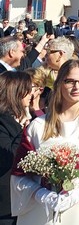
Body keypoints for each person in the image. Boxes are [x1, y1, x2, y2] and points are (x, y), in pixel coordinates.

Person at [11, 59, 79, 225]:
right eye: (70, 81)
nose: (77, 87)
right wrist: (40, 194)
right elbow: (19, 174)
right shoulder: (38, 125)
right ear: (60, 83)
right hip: (44, 210)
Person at [0, 73, 33, 225]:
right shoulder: (2, 120)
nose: (31, 93)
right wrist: (23, 131)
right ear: (17, 92)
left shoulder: (21, 116)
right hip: (5, 202)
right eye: (28, 89)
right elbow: (10, 156)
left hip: (22, 196)